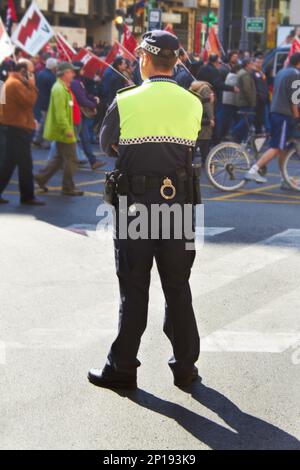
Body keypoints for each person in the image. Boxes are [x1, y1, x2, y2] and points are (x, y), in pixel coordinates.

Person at [88, 30, 203, 390]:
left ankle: (123, 367)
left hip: (137, 207)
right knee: (178, 287)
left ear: (145, 59)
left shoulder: (126, 100)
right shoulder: (193, 103)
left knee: (134, 288)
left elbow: (106, 143)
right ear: (174, 61)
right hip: (178, 207)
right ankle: (185, 368)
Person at [245, 53, 300, 184]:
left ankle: (285, 178)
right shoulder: (296, 74)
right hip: (284, 115)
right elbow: (294, 98)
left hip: (275, 111)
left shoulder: (282, 72)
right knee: (276, 146)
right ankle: (254, 170)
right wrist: (297, 116)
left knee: (283, 148)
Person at [34, 62, 84, 197]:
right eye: (71, 72)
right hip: (64, 131)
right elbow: (60, 113)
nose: (73, 74)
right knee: (72, 159)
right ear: (64, 73)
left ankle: (41, 178)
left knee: (59, 159)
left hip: (64, 129)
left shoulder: (62, 87)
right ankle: (68, 187)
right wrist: (67, 129)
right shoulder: (59, 89)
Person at [0, 61, 45, 206]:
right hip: (17, 128)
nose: (33, 75)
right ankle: (27, 196)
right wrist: (32, 84)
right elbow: (29, 101)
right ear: (24, 71)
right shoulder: (15, 84)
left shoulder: (11, 82)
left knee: (9, 164)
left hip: (14, 127)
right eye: (31, 72)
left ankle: (26, 195)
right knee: (25, 165)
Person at [71, 61, 105, 170]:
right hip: (77, 113)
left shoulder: (79, 82)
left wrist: (92, 98)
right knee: (71, 140)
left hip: (80, 114)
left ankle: (92, 161)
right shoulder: (76, 83)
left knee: (83, 138)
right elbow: (81, 99)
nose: (84, 71)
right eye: (82, 69)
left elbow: (84, 95)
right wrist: (93, 104)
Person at [33, 58, 57, 149]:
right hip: (48, 102)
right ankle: (46, 142)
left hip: (40, 100)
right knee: (48, 123)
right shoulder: (52, 77)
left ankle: (37, 139)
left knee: (44, 121)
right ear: (54, 67)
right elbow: (53, 90)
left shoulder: (40, 74)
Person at [232, 59, 256, 143]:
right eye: (251, 63)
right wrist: (251, 101)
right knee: (246, 120)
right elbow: (247, 89)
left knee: (245, 121)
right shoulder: (245, 74)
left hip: (243, 101)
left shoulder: (243, 73)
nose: (252, 65)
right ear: (247, 65)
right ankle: (235, 132)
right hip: (245, 102)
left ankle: (241, 138)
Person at [252, 56, 269, 134]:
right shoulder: (252, 73)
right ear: (254, 62)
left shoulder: (261, 72)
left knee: (261, 117)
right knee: (257, 118)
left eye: (261, 62)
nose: (259, 64)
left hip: (263, 99)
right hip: (257, 99)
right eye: (258, 62)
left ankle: (259, 132)